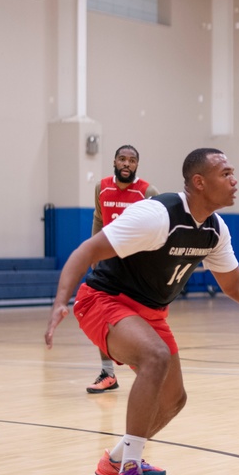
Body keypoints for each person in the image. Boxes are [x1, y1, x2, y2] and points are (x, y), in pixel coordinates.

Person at [44, 147, 239, 475]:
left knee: (174, 399)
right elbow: (85, 251)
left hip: (151, 311)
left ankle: (114, 460)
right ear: (199, 182)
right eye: (226, 174)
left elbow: (235, 285)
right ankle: (129, 472)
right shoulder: (156, 215)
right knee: (155, 357)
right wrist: (59, 303)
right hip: (103, 300)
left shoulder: (213, 229)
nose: (234, 180)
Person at [87, 144, 159, 394]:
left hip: (137, 268)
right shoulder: (102, 187)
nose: (126, 164)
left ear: (137, 165)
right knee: (102, 318)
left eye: (131, 160)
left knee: (139, 320)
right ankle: (108, 373)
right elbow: (99, 219)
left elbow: (162, 226)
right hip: (108, 266)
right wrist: (94, 254)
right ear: (114, 162)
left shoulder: (147, 192)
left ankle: (145, 366)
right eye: (122, 159)